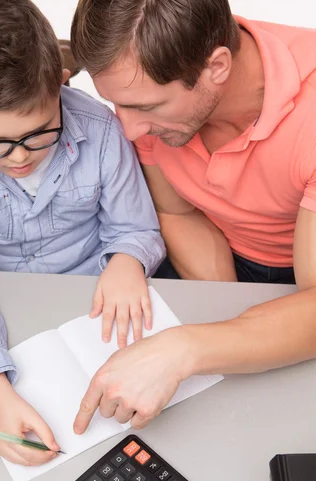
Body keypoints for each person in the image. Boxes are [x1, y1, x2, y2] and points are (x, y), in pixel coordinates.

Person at [0, 0, 165, 465]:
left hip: (98, 308)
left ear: (61, 83)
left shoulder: (101, 128)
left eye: (38, 133)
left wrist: (128, 260)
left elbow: (135, 227)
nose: (18, 158)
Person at [70, 0, 316, 435]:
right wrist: (224, 325)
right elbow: (176, 212)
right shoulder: (146, 97)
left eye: (148, 106)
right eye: (116, 105)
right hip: (214, 261)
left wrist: (184, 349)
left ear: (217, 66)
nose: (127, 131)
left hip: (299, 279)